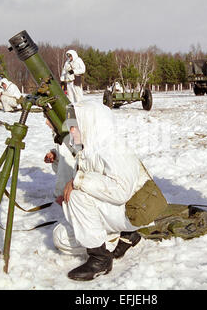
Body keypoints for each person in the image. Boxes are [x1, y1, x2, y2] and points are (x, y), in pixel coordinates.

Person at [52, 101, 159, 281]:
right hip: (122, 210)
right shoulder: (90, 147)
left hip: (134, 210)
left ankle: (100, 258)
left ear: (90, 124)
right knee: (60, 237)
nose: (72, 131)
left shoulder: (112, 148)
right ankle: (125, 237)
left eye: (75, 127)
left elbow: (121, 190)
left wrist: (79, 181)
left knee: (77, 197)